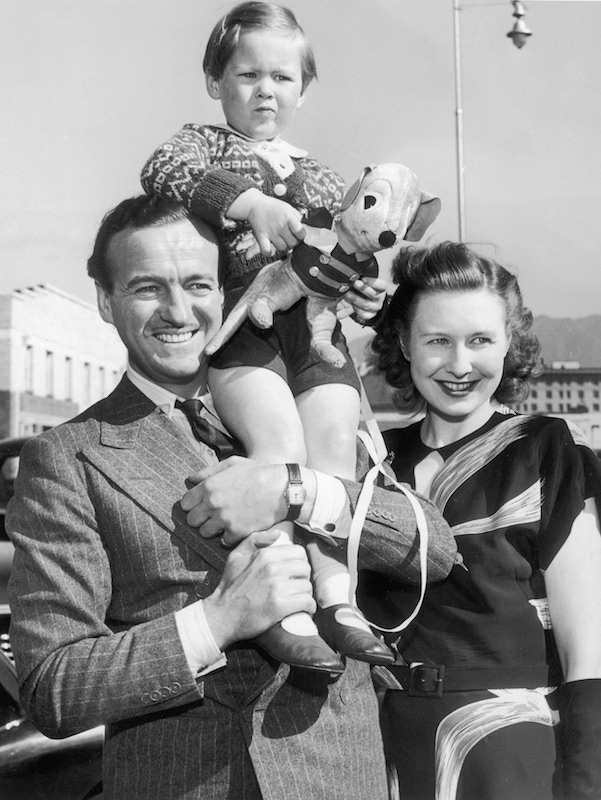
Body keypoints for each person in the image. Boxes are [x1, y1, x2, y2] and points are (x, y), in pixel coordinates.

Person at [6, 195, 457, 800]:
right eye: (146, 288)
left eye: (197, 284)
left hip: (337, 780)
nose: (177, 310)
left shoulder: (314, 402)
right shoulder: (66, 458)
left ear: (227, 292)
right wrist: (219, 620)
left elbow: (433, 550)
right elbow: (52, 687)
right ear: (104, 301)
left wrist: (296, 491)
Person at [140, 1, 416, 668]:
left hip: (317, 335)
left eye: (283, 78)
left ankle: (336, 594)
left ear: (304, 86)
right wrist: (252, 204)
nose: (266, 90)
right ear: (215, 81)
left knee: (329, 456)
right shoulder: (203, 146)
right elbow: (161, 170)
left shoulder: (324, 177)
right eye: (247, 74)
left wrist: (370, 296)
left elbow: (349, 253)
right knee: (277, 450)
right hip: (246, 327)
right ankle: (283, 601)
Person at [367, 241, 601, 800]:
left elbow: (585, 643)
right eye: (437, 341)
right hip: (377, 749)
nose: (459, 364)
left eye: (480, 341)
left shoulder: (548, 451)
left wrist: (588, 781)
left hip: (510, 750)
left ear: (509, 343)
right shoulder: (368, 463)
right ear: (403, 341)